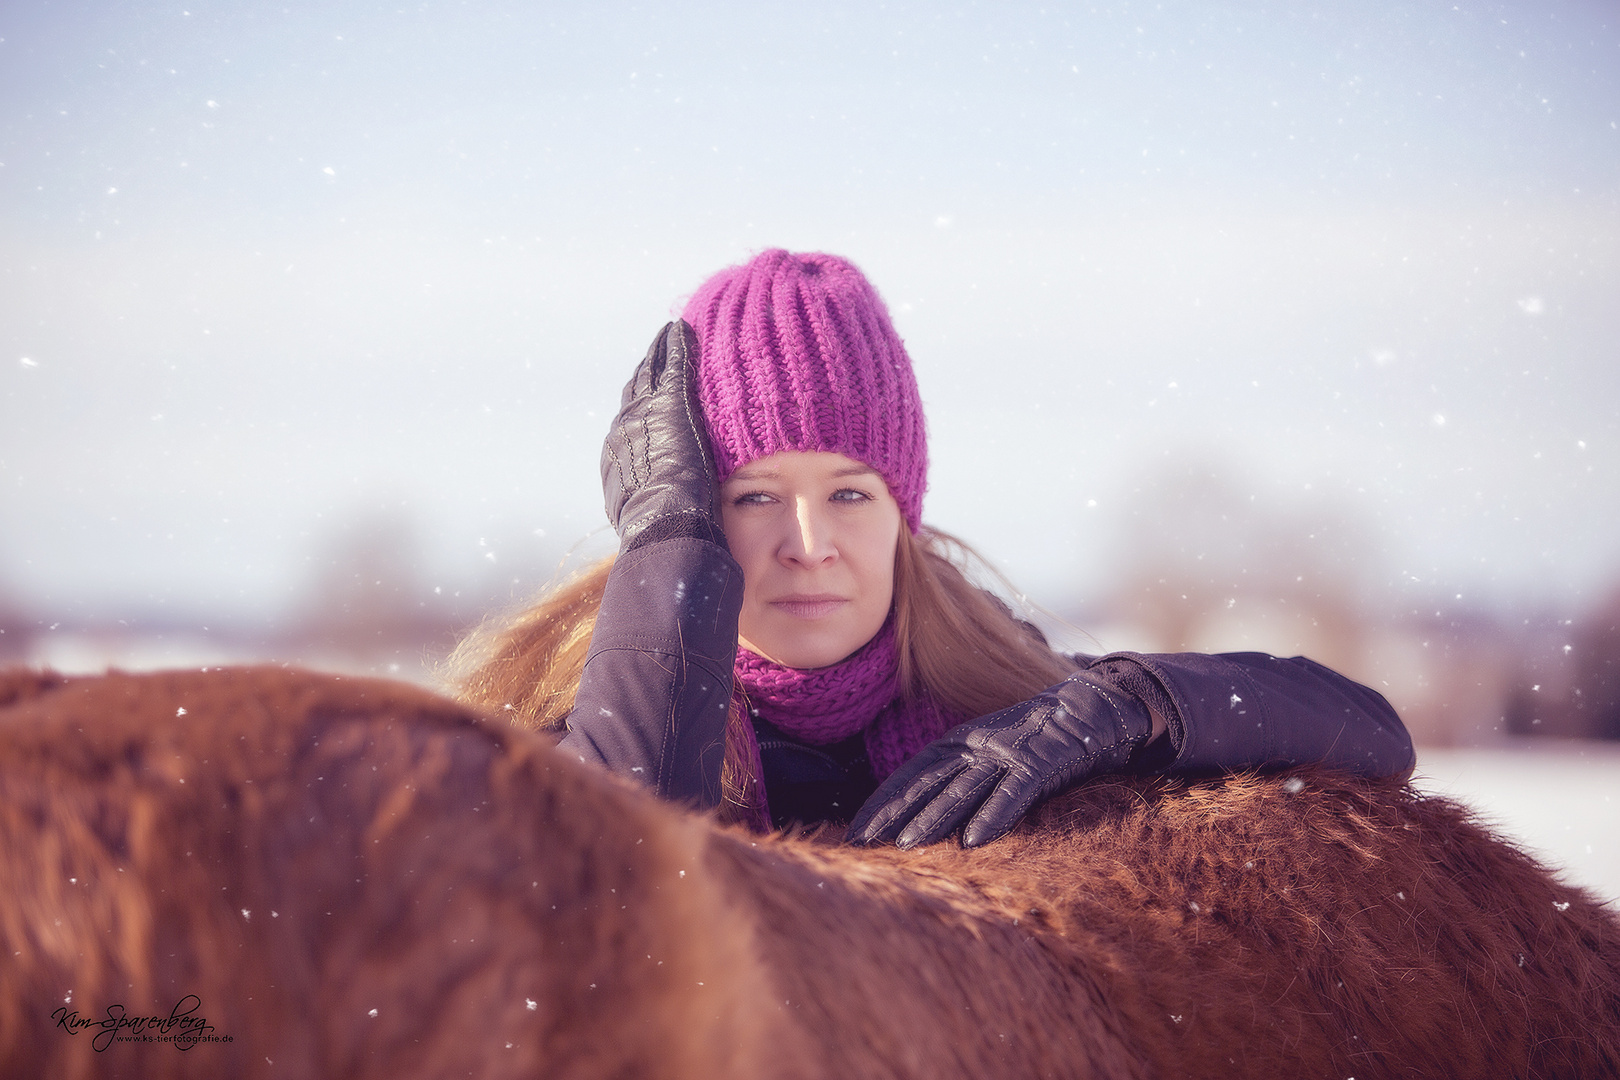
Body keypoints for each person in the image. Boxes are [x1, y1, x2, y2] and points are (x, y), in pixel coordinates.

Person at [453, 249, 1414, 847]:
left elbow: (1370, 729)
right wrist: (665, 554)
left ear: (903, 512)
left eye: (850, 493)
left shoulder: (1005, 717)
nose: (809, 544)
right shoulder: (551, 737)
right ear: (692, 512)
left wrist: (1133, 705)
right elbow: (621, 885)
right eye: (753, 496)